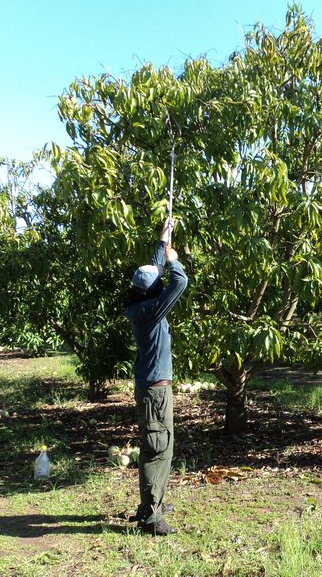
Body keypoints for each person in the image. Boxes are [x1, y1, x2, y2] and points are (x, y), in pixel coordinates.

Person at [124, 217, 188, 536]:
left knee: (161, 448)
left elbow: (153, 272)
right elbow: (178, 283)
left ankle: (154, 503)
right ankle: (151, 517)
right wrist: (175, 262)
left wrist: (164, 239)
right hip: (155, 392)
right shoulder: (151, 311)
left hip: (153, 388)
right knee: (158, 451)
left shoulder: (141, 299)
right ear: (152, 293)